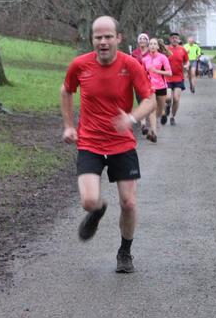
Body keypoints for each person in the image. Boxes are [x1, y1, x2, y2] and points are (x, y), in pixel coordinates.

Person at [60, 16, 156, 273]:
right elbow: (66, 90)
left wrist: (132, 118)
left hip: (121, 143)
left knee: (129, 203)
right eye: (98, 37)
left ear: (118, 38)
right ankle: (98, 210)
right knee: (89, 201)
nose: (103, 42)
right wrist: (69, 125)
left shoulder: (131, 65)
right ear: (92, 39)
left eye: (108, 37)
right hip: (90, 141)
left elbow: (149, 99)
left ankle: (125, 252)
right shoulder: (80, 65)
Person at [141, 38, 172, 143]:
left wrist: (157, 71)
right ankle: (153, 133)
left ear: (158, 46)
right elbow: (143, 73)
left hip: (161, 86)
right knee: (152, 110)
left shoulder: (163, 58)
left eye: (155, 44)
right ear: (148, 46)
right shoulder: (145, 59)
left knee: (159, 111)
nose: (153, 46)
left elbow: (169, 73)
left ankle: (153, 129)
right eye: (151, 44)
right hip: (150, 88)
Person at [162, 32, 189, 126]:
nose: (174, 39)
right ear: (170, 39)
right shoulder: (166, 49)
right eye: (172, 38)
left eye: (176, 38)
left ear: (178, 40)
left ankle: (172, 117)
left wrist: (187, 65)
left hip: (178, 77)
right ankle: (167, 106)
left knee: (176, 99)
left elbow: (187, 61)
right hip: (167, 77)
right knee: (168, 97)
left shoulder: (182, 49)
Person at [131, 33, 151, 136]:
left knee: (147, 100)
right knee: (140, 101)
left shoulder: (151, 52)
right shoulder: (134, 53)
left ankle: (146, 121)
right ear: (138, 41)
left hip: (150, 80)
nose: (142, 40)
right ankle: (143, 124)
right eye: (140, 38)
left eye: (144, 38)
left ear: (147, 41)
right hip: (138, 80)